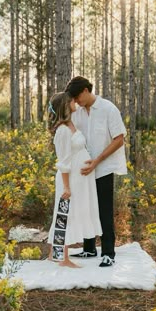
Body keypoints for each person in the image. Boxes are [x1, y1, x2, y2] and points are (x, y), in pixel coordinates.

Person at [65, 76, 127, 267]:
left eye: (77, 97)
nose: (76, 102)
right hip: (83, 170)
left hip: (103, 168)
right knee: (86, 207)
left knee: (104, 210)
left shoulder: (108, 109)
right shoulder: (78, 113)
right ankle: (89, 248)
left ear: (85, 90)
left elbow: (119, 139)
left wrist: (97, 161)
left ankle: (108, 252)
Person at [47, 92, 102, 268]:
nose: (75, 102)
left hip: (79, 178)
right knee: (65, 214)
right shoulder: (62, 131)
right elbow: (63, 162)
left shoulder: (71, 123)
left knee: (67, 214)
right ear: (65, 105)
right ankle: (62, 258)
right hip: (69, 179)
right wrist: (66, 187)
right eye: (71, 100)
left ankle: (53, 254)